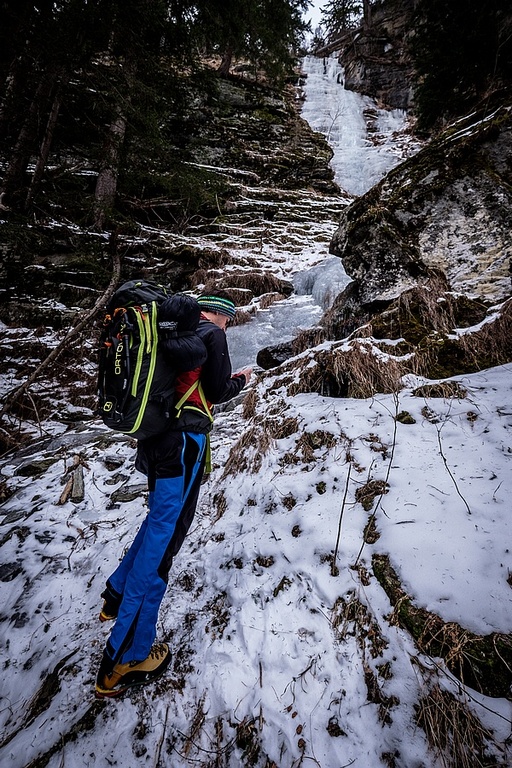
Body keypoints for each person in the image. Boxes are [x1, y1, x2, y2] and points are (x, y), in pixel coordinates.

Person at [95, 291, 252, 698]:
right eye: (228, 319)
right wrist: (241, 381)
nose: (227, 326)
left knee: (157, 523)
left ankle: (115, 594)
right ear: (219, 314)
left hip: (156, 442)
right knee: (164, 544)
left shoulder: (170, 333)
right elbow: (216, 392)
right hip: (184, 447)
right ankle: (124, 657)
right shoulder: (211, 335)